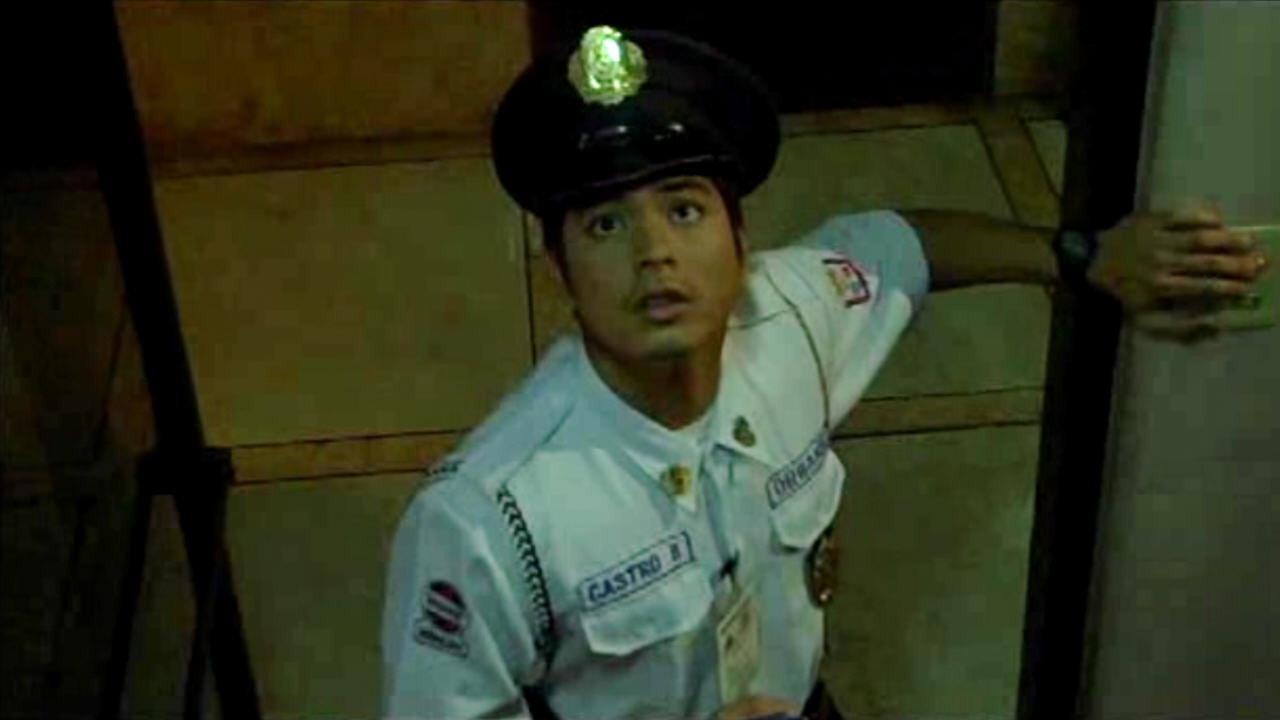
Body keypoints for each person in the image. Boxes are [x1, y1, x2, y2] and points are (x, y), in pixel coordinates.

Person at [380, 24, 1270, 720]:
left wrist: (1084, 257)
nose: (655, 254)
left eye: (684, 210)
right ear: (558, 269)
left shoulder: (790, 317)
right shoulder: (487, 518)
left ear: (741, 241)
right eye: (605, 225)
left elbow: (903, 246)